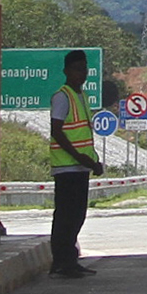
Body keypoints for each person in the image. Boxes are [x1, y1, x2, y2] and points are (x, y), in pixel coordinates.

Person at [48, 49, 106, 278]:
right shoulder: (62, 97)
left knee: (77, 215)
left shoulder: (81, 96)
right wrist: (79, 157)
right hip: (67, 167)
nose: (81, 73)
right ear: (66, 71)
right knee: (65, 216)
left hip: (81, 167)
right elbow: (57, 131)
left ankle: (69, 259)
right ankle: (61, 261)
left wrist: (92, 161)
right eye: (76, 69)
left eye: (84, 69)